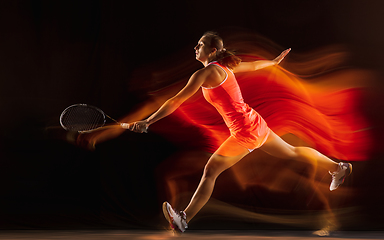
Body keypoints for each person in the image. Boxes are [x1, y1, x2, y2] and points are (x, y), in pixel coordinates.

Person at [120, 31, 352, 232]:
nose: (195, 47)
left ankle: (183, 219)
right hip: (254, 123)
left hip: (245, 131)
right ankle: (337, 167)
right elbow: (252, 66)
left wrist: (149, 121)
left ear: (212, 50)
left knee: (210, 171)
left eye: (199, 44)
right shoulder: (225, 67)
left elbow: (176, 100)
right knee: (291, 152)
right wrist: (272, 63)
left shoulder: (206, 73)